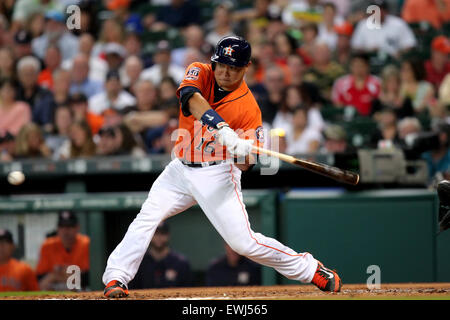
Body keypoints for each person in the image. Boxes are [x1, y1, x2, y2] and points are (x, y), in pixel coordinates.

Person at [102, 36, 342, 298]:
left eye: (233, 67)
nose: (225, 72)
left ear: (246, 67)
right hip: (179, 169)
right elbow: (190, 98)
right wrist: (222, 128)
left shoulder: (249, 108)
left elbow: (246, 165)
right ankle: (117, 278)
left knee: (243, 243)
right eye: (221, 65)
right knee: (147, 217)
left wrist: (241, 150)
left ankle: (310, 269)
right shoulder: (200, 71)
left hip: (216, 173)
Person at [36, 210, 90, 291]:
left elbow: (88, 278)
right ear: (57, 229)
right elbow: (40, 279)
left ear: (77, 227)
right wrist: (59, 276)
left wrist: (56, 275)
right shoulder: (47, 245)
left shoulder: (86, 244)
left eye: (69, 226)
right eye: (62, 226)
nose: (66, 231)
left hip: (80, 292)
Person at [128, 221, 192, 289]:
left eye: (162, 233)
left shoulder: (181, 262)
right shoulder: (139, 262)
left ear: (168, 235)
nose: (159, 237)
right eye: (155, 233)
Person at [351, 0, 417, 59]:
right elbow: (355, 47)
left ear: (386, 11)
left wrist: (399, 53)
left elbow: (410, 45)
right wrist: (368, 50)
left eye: (380, 9)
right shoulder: (363, 25)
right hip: (369, 60)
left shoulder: (398, 24)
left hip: (392, 61)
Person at [16, 55, 56, 132]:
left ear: (37, 75)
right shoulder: (14, 94)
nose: (28, 77)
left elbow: (46, 122)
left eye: (31, 74)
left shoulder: (46, 94)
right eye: (25, 74)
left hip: (39, 132)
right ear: (19, 76)